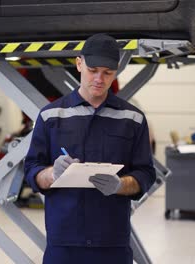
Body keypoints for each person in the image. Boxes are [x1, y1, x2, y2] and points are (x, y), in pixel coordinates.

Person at [24, 33, 156, 264]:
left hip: (112, 243)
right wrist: (52, 174)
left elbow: (145, 173)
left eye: (107, 73)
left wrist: (120, 185)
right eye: (93, 70)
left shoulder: (132, 118)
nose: (99, 78)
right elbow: (32, 171)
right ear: (79, 63)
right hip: (64, 243)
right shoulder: (51, 116)